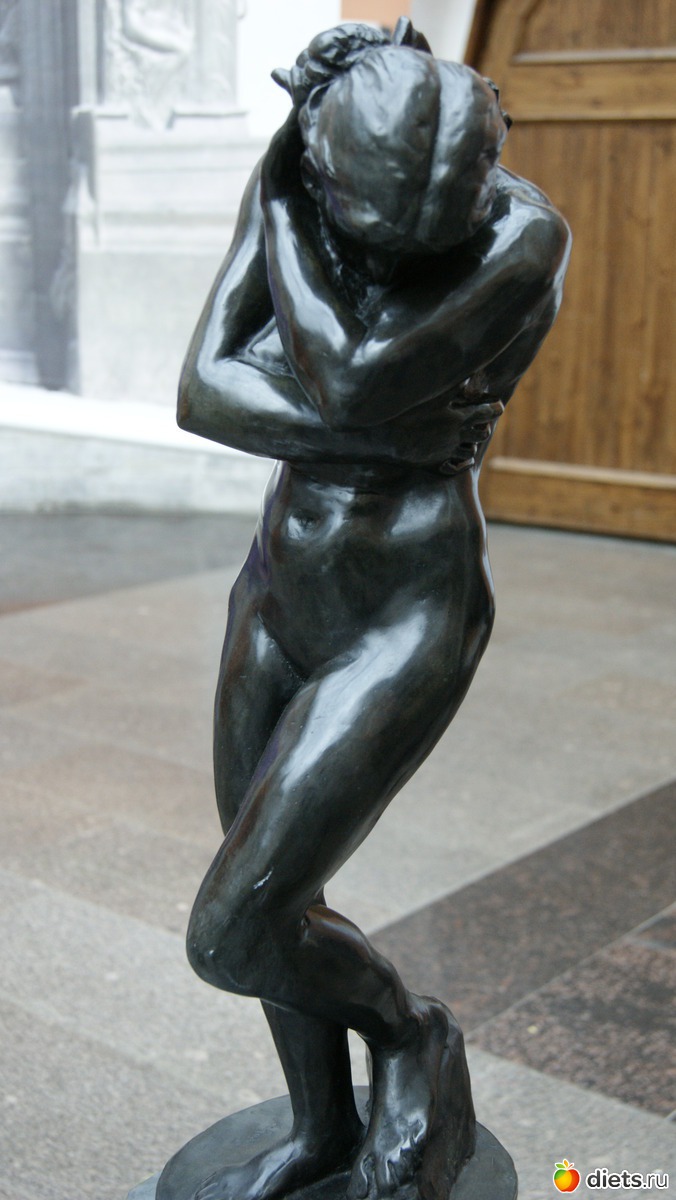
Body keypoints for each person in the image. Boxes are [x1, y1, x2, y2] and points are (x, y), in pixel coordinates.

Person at [178, 20, 570, 1200]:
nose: (391, 249)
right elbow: (202, 390)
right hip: (276, 588)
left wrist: (281, 213)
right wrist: (390, 434)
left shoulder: (524, 233)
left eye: (428, 226)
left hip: (407, 610)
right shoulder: (307, 178)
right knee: (277, 895)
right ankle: (318, 1130)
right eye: (355, 215)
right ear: (326, 152)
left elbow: (347, 376)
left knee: (234, 930)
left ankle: (411, 1034)